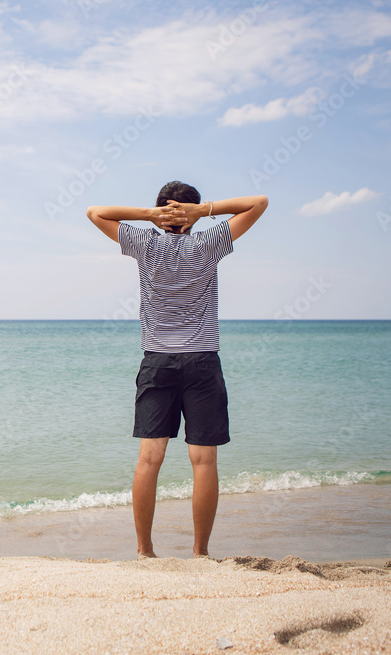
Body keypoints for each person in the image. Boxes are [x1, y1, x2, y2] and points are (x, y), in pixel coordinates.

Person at [86, 181, 268, 558]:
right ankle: (200, 553)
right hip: (202, 360)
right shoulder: (207, 244)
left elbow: (94, 213)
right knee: (203, 460)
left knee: (149, 458)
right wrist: (207, 211)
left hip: (157, 361)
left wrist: (150, 216)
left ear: (162, 214)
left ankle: (144, 551)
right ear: (192, 216)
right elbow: (258, 203)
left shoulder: (145, 244)